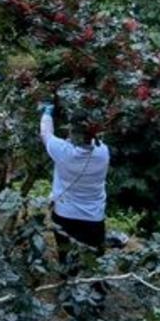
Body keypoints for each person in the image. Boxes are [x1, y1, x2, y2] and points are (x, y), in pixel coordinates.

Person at [39, 101, 110, 259]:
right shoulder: (103, 152)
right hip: (94, 217)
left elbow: (46, 133)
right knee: (94, 263)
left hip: (65, 215)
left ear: (73, 132)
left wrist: (47, 113)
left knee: (67, 260)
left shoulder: (63, 152)